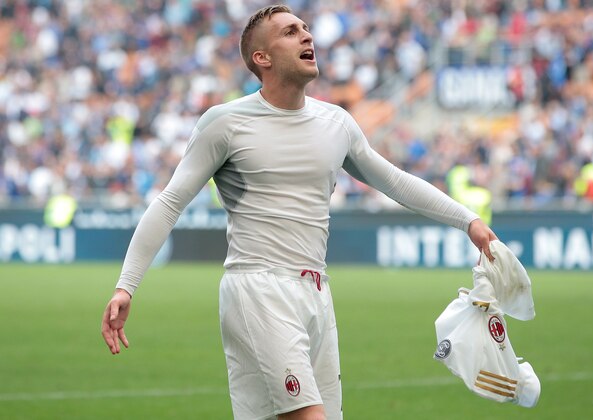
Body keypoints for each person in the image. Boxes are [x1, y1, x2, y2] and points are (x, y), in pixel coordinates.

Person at [101, 5, 497, 420]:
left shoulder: (337, 123)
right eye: (291, 32)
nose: (307, 36)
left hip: (317, 292)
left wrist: (467, 220)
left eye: (306, 29)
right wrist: (126, 286)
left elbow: (394, 181)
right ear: (262, 58)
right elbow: (170, 202)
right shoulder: (225, 123)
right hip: (258, 288)